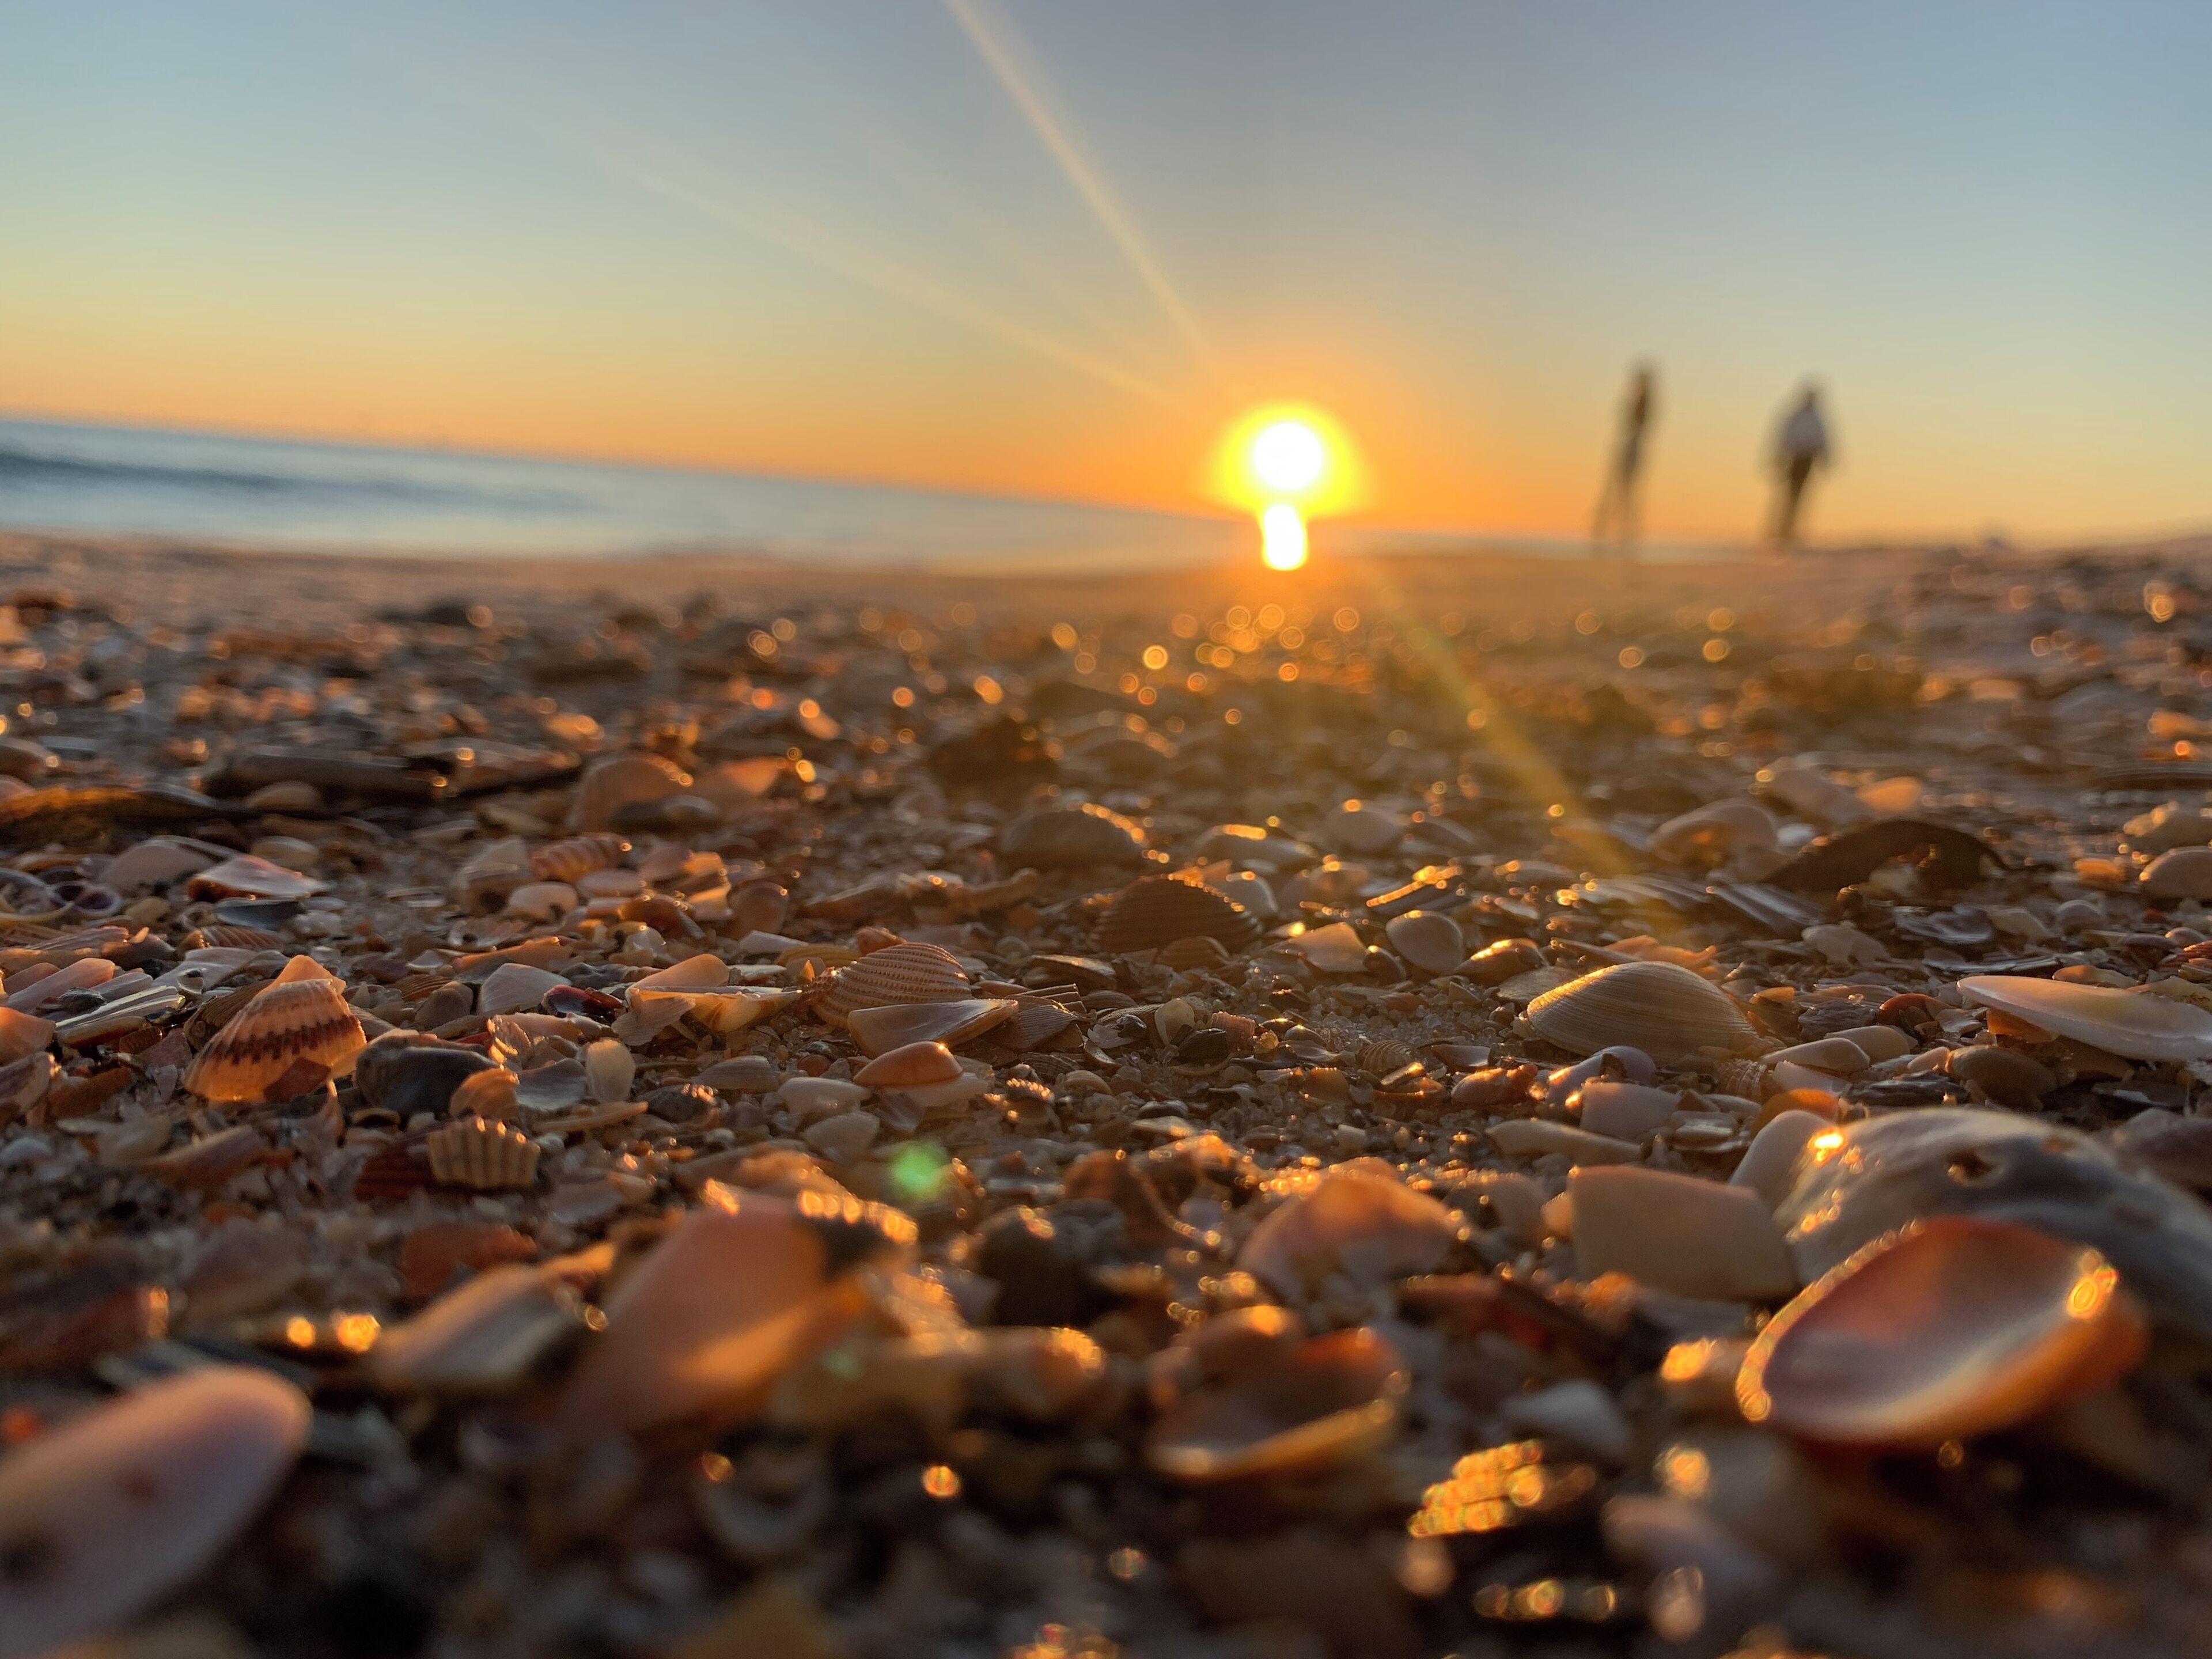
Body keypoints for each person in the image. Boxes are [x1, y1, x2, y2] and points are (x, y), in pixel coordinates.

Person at [1591, 362, 1656, 552]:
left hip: (1631, 447)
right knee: (1618, 491)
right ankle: (1611, 533)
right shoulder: (1637, 400)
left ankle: (1622, 535)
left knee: (1626, 493)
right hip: (1627, 446)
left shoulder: (1643, 403)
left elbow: (1635, 425)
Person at [1768, 382, 1832, 550]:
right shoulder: (1799, 417)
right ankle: (1781, 533)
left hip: (1806, 459)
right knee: (1790, 496)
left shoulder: (1813, 418)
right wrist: (1779, 457)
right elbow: (1785, 438)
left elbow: (1821, 441)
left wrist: (1825, 459)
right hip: (1794, 459)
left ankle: (1790, 533)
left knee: (1798, 496)